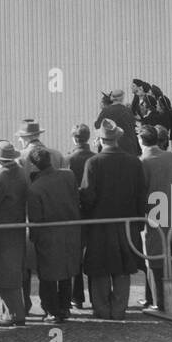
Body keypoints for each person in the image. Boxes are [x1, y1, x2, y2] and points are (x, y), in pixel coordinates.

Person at [79, 118, 149, 319]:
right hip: (127, 223)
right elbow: (141, 193)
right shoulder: (134, 161)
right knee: (123, 267)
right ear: (118, 138)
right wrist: (138, 219)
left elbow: (88, 195)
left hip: (99, 223)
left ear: (100, 140)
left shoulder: (93, 162)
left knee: (100, 267)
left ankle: (101, 309)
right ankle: (119, 309)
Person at [26, 147, 82, 323]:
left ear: (34, 165)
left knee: (48, 276)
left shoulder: (35, 188)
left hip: (48, 234)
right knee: (66, 271)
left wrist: (34, 238)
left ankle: (51, 310)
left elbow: (35, 219)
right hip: (71, 230)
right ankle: (64, 307)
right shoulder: (68, 176)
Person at [0, 141, 31, 326]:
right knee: (14, 272)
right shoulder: (20, 172)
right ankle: (14, 311)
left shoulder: (2, 177)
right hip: (17, 225)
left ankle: (13, 314)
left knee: (5, 274)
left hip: (3, 229)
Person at [138, 123, 172, 310]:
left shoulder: (142, 161)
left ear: (141, 140)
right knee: (171, 256)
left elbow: (140, 191)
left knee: (154, 258)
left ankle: (159, 300)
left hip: (151, 216)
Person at [67, 123, 93, 307]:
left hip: (75, 211)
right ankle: (96, 295)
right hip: (93, 210)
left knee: (75, 255)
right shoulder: (95, 158)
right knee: (94, 253)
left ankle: (76, 296)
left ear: (74, 139)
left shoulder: (68, 159)